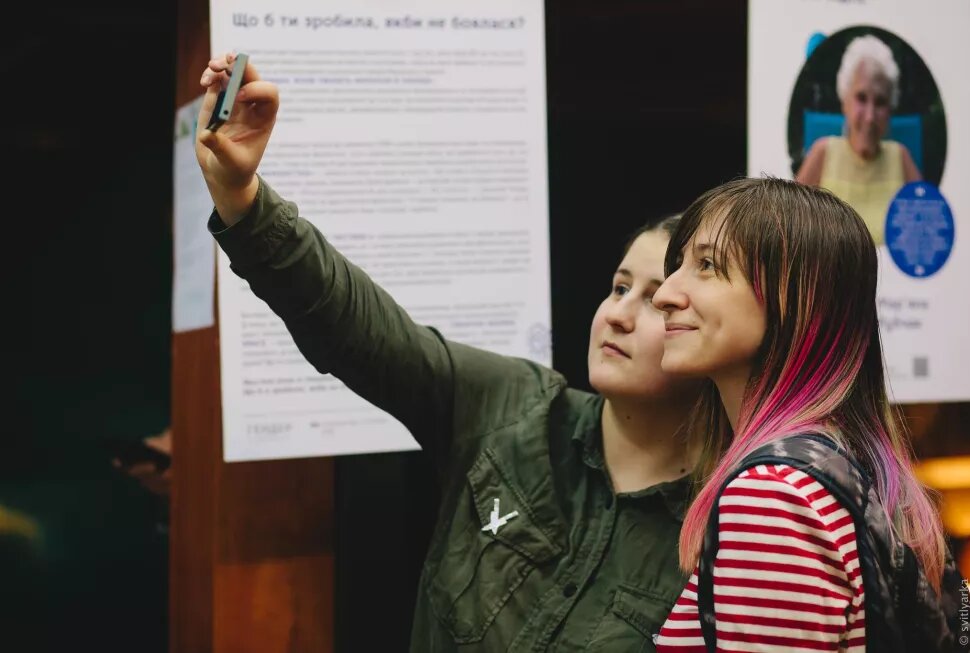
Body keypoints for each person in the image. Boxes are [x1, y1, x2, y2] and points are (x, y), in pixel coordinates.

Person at [196, 53, 705, 651]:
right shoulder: (516, 408)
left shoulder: (721, 528)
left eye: (656, 302)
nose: (618, 313)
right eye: (619, 287)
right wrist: (242, 195)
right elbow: (364, 331)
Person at [650, 177, 970, 651]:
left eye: (707, 265)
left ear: (797, 298)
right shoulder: (849, 468)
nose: (665, 294)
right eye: (677, 266)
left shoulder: (771, 496)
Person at [796, 34, 922, 246]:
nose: (870, 116)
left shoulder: (901, 157)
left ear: (890, 108)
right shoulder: (823, 153)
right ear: (844, 100)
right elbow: (789, 225)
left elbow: (929, 226)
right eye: (861, 98)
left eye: (881, 102)